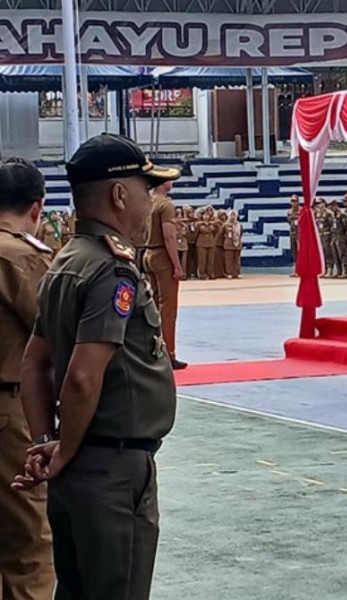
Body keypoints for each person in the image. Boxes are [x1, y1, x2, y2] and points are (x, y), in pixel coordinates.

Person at [12, 133, 179, 600]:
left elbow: (34, 363)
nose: (150, 201)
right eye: (146, 189)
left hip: (81, 466)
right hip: (112, 467)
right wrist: (64, 449)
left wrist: (46, 442)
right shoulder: (112, 269)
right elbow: (84, 376)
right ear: (119, 194)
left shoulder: (67, 260)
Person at [0, 158, 55, 599]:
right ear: (37, 207)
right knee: (28, 545)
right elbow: (56, 333)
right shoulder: (21, 256)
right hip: (8, 412)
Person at [144, 180, 187, 371]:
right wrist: (177, 266)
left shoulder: (148, 201)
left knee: (152, 307)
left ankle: (151, 350)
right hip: (162, 255)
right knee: (168, 309)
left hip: (148, 253)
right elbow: (169, 236)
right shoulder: (165, 205)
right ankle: (168, 353)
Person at [329, 201, 347, 279]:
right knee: (335, 254)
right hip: (334, 235)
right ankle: (339, 271)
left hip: (341, 235)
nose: (331, 208)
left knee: (343, 253)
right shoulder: (333, 215)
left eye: (332, 206)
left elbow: (346, 226)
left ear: (335, 206)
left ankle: (346, 270)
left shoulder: (342, 215)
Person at [315, 200, 336, 277]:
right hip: (319, 235)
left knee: (328, 252)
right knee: (321, 253)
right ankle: (324, 269)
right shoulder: (316, 213)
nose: (318, 205)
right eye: (317, 204)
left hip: (327, 235)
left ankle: (330, 269)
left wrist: (332, 235)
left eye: (320, 203)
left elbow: (332, 225)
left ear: (324, 203)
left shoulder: (328, 213)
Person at [196, 206, 216, 279]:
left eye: (207, 215)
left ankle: (210, 273)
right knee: (202, 260)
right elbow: (196, 233)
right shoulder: (198, 224)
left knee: (210, 260)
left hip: (211, 242)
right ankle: (202, 274)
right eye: (204, 215)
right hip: (201, 243)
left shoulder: (213, 223)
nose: (206, 216)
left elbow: (216, 232)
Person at [288, 195, 300, 277]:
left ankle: (301, 269)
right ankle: (296, 269)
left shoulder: (301, 210)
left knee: (300, 251)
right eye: (292, 201)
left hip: (300, 233)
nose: (293, 202)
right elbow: (289, 221)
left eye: (295, 201)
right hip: (292, 233)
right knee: (294, 252)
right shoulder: (289, 211)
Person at [175, 207, 189, 276]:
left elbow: (188, 234)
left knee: (184, 259)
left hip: (184, 243)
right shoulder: (173, 225)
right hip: (175, 243)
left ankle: (184, 273)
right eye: (178, 214)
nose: (179, 216)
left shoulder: (184, 225)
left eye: (181, 214)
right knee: (176, 259)